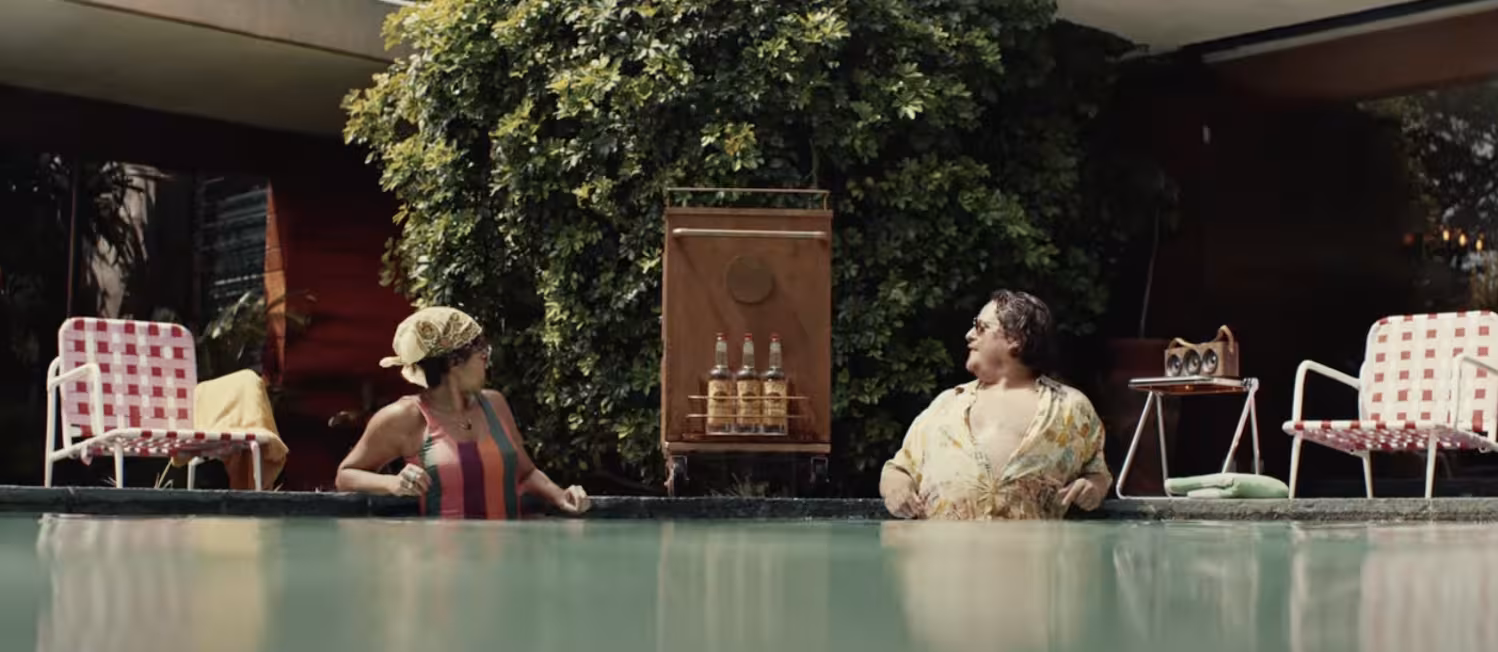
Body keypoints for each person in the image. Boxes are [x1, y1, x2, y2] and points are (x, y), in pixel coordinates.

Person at [336, 306, 590, 519]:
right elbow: (345, 476)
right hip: (440, 569)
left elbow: (525, 473)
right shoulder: (405, 417)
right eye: (481, 352)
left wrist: (560, 495)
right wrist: (392, 484)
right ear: (453, 362)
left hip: (505, 562)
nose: (486, 359)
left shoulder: (495, 404)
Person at [879, 290, 1111, 520]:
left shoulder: (1069, 407)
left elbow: (1098, 474)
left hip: (1028, 554)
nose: (969, 335)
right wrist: (896, 489)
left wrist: (1093, 488)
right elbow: (898, 470)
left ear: (1015, 339)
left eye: (980, 327)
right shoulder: (946, 404)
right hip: (944, 553)